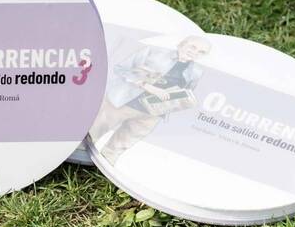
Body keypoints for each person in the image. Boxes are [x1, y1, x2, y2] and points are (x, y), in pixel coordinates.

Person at [90, 35, 211, 164]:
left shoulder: (197, 71)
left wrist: (182, 102)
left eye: (201, 52)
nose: (195, 52)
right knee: (93, 133)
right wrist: (147, 86)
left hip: (151, 115)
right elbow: (121, 69)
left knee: (118, 147)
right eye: (193, 47)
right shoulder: (153, 52)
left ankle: (103, 167)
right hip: (123, 103)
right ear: (181, 44)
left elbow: (184, 92)